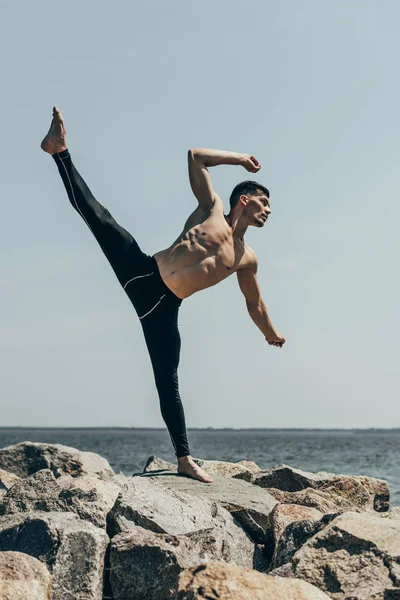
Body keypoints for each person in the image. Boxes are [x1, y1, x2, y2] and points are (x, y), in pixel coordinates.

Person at [41, 106, 286, 484]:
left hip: (163, 309)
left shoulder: (247, 259)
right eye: (264, 202)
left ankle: (184, 458)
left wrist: (269, 331)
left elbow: (254, 302)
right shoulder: (212, 209)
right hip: (141, 271)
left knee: (167, 381)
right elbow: (195, 156)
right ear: (245, 199)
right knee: (97, 215)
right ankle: (59, 150)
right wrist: (239, 159)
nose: (268, 210)